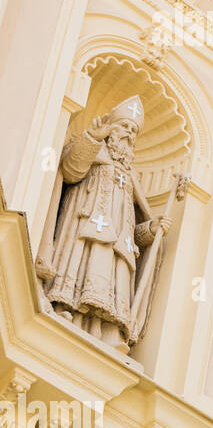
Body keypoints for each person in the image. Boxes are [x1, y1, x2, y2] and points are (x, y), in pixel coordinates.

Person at [38, 97, 171, 353]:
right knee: (80, 266)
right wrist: (92, 138)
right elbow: (71, 170)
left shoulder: (132, 177)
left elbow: (134, 231)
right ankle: (66, 310)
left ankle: (107, 332)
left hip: (118, 246)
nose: (129, 133)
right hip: (83, 227)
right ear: (109, 126)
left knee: (112, 278)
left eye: (133, 130)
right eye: (123, 126)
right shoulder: (92, 149)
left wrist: (152, 229)